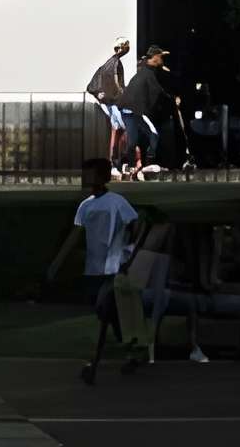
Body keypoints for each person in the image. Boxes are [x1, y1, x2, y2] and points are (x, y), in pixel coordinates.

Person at [43, 157, 143, 383]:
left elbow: (135, 224)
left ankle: (95, 363)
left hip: (114, 268)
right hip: (93, 269)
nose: (85, 178)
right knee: (107, 313)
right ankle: (131, 349)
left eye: (89, 174)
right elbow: (74, 236)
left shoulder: (117, 202)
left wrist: (129, 252)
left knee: (105, 307)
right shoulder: (85, 206)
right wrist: (56, 264)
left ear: (101, 176)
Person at [121, 48, 177, 175]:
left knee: (133, 141)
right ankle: (147, 164)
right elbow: (158, 90)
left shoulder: (144, 69)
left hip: (127, 109)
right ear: (156, 57)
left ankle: (131, 167)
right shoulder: (148, 73)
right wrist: (173, 98)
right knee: (153, 134)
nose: (162, 61)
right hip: (135, 110)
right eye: (161, 58)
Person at [86, 39, 133, 172]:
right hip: (115, 102)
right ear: (122, 48)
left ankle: (114, 163)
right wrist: (123, 96)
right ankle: (121, 162)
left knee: (117, 129)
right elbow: (116, 83)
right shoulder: (115, 63)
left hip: (109, 102)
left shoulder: (108, 63)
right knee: (125, 130)